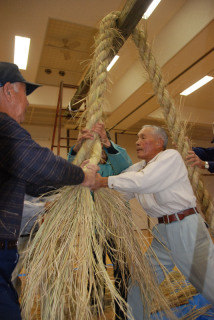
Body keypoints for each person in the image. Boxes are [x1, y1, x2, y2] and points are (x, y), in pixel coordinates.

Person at [0, 61, 99, 320]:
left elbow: (36, 184)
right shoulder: (2, 126)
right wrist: (82, 177)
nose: (29, 103)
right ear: (8, 91)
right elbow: (36, 163)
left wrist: (72, 182)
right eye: (25, 93)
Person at [92, 125, 214, 319]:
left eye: (142, 137)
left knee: (208, 283)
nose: (137, 142)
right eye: (137, 138)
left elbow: (143, 182)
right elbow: (123, 189)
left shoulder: (170, 157)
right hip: (162, 232)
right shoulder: (140, 168)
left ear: (159, 142)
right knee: (141, 283)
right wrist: (92, 181)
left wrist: (103, 181)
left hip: (185, 226)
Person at [68, 121, 132, 320]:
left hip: (116, 228)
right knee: (95, 268)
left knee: (122, 270)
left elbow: (126, 166)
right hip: (92, 228)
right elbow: (68, 170)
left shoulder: (115, 163)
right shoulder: (83, 166)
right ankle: (95, 305)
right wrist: (77, 147)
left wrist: (106, 141)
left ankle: (121, 309)